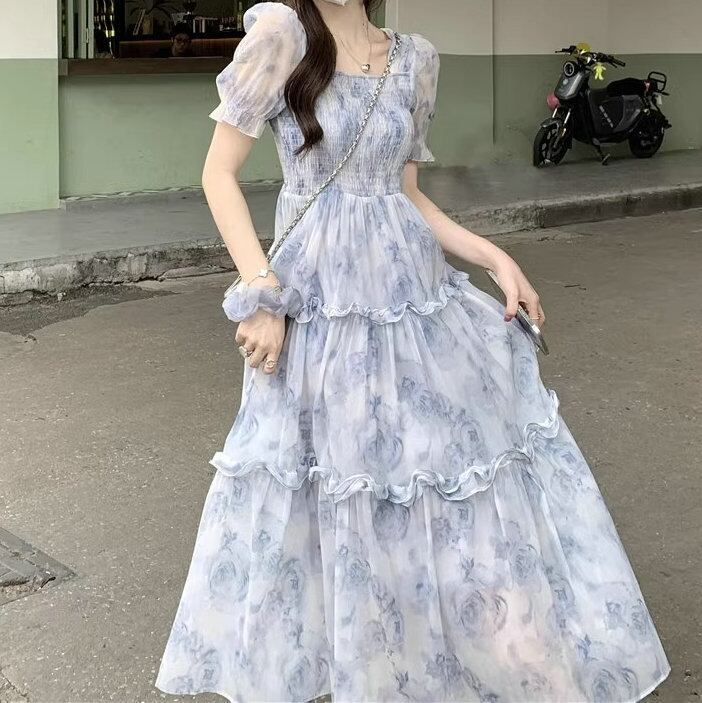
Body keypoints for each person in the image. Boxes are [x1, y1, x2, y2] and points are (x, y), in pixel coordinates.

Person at [155, 1, 671, 701]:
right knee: (336, 485)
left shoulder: (414, 59)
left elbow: (406, 197)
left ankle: (436, 661)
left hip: (412, 302)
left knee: (433, 478)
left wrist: (494, 256)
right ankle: (358, 666)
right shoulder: (281, 35)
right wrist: (262, 292)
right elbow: (219, 174)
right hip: (321, 310)